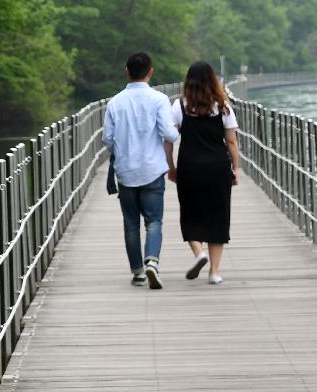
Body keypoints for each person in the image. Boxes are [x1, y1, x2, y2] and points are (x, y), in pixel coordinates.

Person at [102, 52, 179, 289]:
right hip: (153, 169)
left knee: (131, 223)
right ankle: (152, 262)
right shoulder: (159, 100)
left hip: (126, 171)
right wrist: (176, 133)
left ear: (127, 71)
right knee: (154, 221)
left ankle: (137, 272)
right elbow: (169, 133)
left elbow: (107, 139)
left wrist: (123, 148)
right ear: (151, 71)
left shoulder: (115, 102)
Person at [168, 61, 239, 285]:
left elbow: (168, 140)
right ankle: (214, 272)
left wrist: (171, 167)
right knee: (219, 216)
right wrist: (235, 169)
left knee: (190, 212)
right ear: (213, 80)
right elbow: (231, 141)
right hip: (218, 167)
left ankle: (199, 253)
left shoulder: (179, 106)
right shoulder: (223, 106)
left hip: (189, 166)